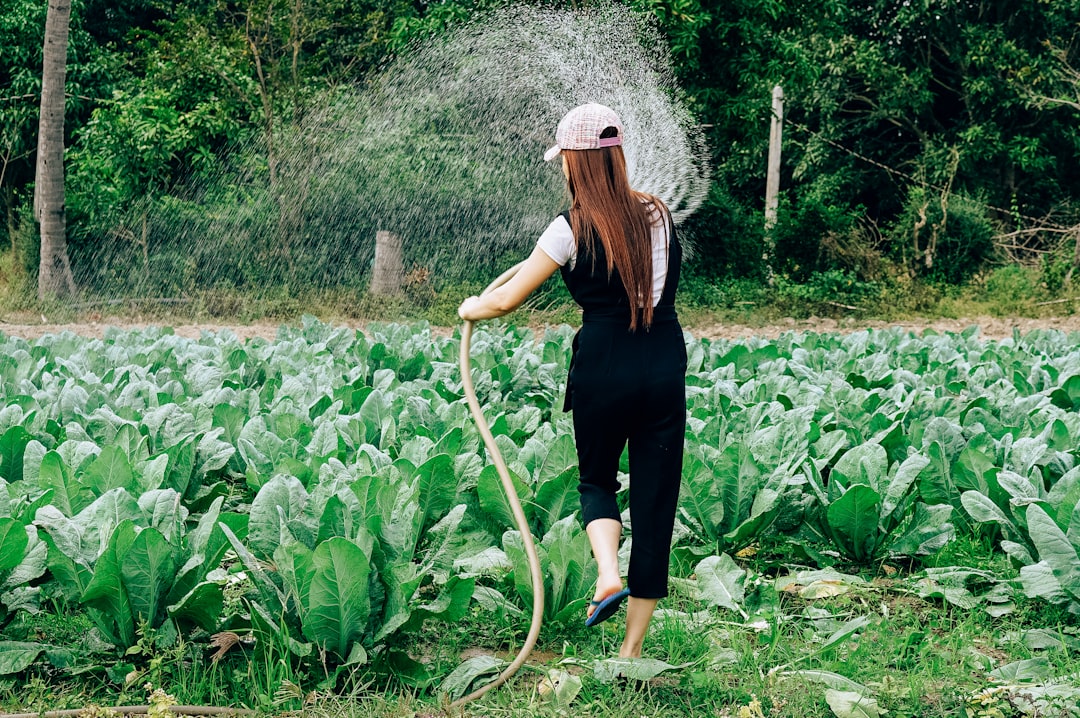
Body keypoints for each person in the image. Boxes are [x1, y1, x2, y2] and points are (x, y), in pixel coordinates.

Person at [458, 103, 686, 660]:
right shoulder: (658, 213)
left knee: (597, 480)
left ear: (575, 163)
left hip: (604, 364)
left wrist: (471, 307)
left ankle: (608, 573)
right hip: (662, 360)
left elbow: (506, 299)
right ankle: (631, 652)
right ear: (617, 157)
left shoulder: (568, 228)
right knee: (656, 500)